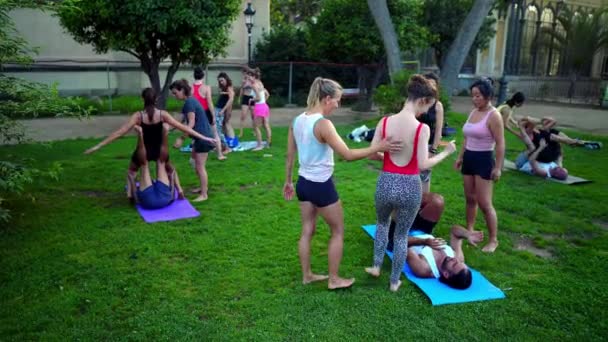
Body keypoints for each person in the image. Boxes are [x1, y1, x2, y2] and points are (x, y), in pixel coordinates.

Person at [283, 77, 402, 290]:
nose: (338, 105)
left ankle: (307, 275)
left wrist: (288, 181)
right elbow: (348, 154)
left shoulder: (298, 119)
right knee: (337, 231)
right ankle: (334, 279)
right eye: (337, 100)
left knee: (307, 230)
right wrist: (378, 147)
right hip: (321, 186)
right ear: (326, 98)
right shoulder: (323, 124)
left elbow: (289, 154)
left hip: (303, 183)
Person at [364, 74, 457, 292]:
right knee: (401, 236)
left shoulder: (384, 122)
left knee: (382, 224)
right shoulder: (421, 129)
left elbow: (372, 153)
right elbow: (423, 164)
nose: (426, 112)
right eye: (428, 107)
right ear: (423, 100)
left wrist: (386, 158)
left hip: (386, 182)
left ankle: (376, 266)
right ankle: (394, 281)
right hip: (409, 186)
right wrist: (446, 152)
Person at [84, 88, 214, 200]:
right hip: (159, 152)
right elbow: (184, 127)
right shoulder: (163, 114)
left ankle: (130, 194)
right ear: (156, 99)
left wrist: (98, 146)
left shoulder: (138, 116)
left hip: (143, 152)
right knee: (170, 169)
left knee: (132, 170)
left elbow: (119, 133)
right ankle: (179, 190)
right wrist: (204, 137)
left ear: (142, 99)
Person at [454, 78, 505, 253]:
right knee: (470, 198)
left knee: (484, 203)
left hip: (484, 160)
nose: (475, 99)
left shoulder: (494, 115)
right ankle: (470, 231)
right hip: (469, 158)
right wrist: (460, 157)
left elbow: (500, 144)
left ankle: (493, 240)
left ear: (488, 95)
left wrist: (498, 167)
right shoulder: (473, 112)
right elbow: (467, 137)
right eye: (473, 95)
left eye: (478, 95)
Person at [170, 79, 218, 202]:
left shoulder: (189, 103)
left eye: (175, 93)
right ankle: (202, 188)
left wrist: (181, 138)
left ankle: (204, 194)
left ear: (182, 90)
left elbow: (190, 123)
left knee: (200, 166)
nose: (174, 96)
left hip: (203, 137)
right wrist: (172, 127)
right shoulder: (189, 102)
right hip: (199, 137)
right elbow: (183, 120)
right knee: (194, 162)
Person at [174, 67, 226, 160]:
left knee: (195, 134)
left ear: (194, 76)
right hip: (205, 112)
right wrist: (213, 115)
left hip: (196, 113)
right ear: (203, 75)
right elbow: (209, 103)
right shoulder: (206, 87)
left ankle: (195, 156)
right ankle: (219, 154)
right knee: (215, 134)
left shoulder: (190, 87)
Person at [406, 225, 482, 289]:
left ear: (446, 274)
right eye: (460, 262)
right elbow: (454, 231)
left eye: (454, 264)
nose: (455, 259)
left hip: (404, 230)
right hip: (423, 227)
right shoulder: (457, 258)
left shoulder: (423, 268)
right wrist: (467, 234)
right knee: (438, 206)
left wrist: (424, 242)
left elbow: (401, 242)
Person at [126, 124, 183, 209]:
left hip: (159, 200)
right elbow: (137, 199)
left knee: (147, 164)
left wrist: (130, 193)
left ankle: (142, 135)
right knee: (155, 163)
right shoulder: (145, 194)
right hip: (157, 199)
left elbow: (171, 195)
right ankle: (163, 134)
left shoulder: (165, 199)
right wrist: (179, 190)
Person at [418, 72, 445, 193]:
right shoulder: (417, 101)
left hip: (428, 145)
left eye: (433, 84)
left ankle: (423, 206)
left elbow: (439, 130)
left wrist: (433, 149)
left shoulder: (438, 106)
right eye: (428, 84)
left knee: (424, 176)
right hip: (414, 143)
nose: (431, 87)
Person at [250, 68, 272, 151]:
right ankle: (268, 143)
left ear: (254, 76)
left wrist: (252, 100)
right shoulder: (260, 83)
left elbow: (258, 98)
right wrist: (264, 102)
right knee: (266, 125)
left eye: (250, 77)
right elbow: (267, 94)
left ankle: (259, 145)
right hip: (265, 106)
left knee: (256, 127)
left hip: (259, 107)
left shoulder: (254, 85)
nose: (249, 79)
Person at [216, 72, 237, 148]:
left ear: (226, 79)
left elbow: (231, 99)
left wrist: (223, 110)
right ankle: (228, 140)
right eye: (219, 81)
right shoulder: (225, 88)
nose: (221, 82)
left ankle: (232, 141)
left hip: (226, 109)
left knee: (227, 124)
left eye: (222, 80)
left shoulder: (229, 87)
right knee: (224, 124)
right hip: (223, 109)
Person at [238, 67, 255, 138]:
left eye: (245, 73)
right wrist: (239, 97)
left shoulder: (252, 80)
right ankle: (241, 132)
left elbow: (255, 87)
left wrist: (250, 80)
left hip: (252, 98)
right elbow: (242, 89)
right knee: (243, 116)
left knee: (253, 116)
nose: (244, 74)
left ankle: (254, 130)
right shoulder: (243, 81)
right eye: (243, 73)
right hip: (245, 98)